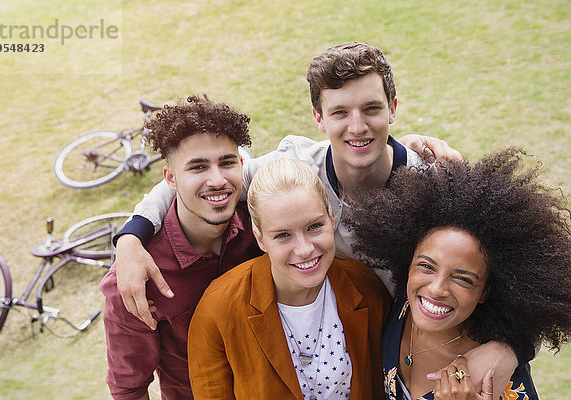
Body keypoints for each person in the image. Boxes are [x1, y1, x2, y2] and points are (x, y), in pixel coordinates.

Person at [113, 42, 519, 392]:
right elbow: (200, 179)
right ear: (318, 118)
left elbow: (501, 277)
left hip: (413, 351)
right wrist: (131, 237)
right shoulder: (294, 166)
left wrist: (512, 348)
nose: (357, 127)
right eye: (339, 112)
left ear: (393, 109)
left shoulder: (432, 185)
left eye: (371, 108)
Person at [347, 148, 571, 399]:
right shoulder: (400, 306)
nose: (436, 289)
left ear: (486, 291)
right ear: (407, 260)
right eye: (427, 266)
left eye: (463, 279)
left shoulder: (496, 382)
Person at [99, 96, 263, 400]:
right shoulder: (135, 278)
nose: (217, 180)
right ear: (171, 179)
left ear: (242, 165)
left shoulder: (265, 226)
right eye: (198, 167)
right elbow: (129, 388)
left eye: (226, 163)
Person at [188, 158, 391, 399]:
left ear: (332, 218)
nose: (304, 249)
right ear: (260, 238)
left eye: (314, 226)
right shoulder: (218, 308)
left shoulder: (366, 288)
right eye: (283, 235)